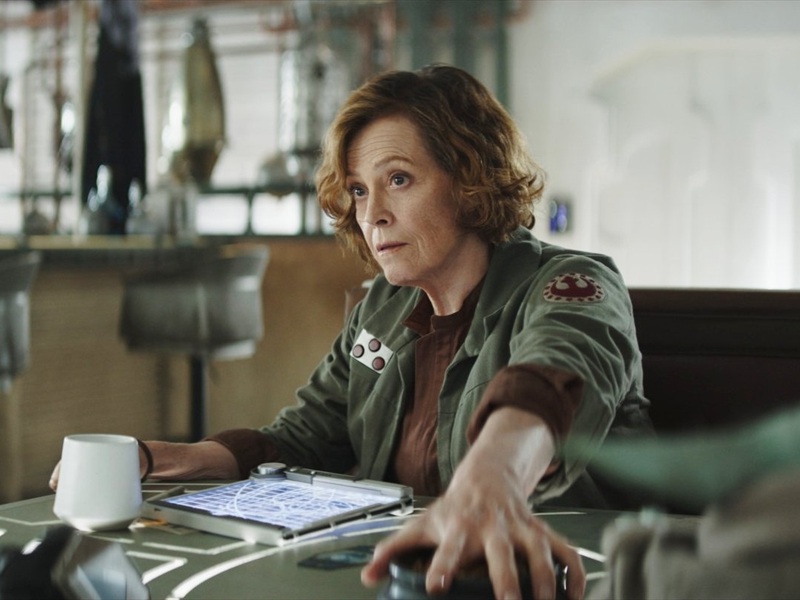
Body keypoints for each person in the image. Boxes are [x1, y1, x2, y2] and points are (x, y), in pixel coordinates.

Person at [51, 64, 651, 600]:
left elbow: (551, 381)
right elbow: (306, 436)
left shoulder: (572, 284)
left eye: (399, 180)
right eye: (359, 190)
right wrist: (172, 458)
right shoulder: (381, 309)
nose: (371, 214)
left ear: (471, 179)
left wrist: (492, 479)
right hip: (409, 580)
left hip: (575, 577)